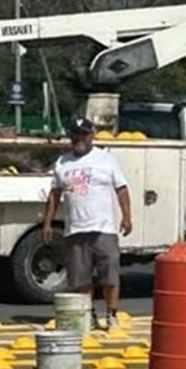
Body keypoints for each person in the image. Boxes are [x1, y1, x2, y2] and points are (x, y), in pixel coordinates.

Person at [42, 117, 132, 330]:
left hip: (103, 227)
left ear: (92, 135)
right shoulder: (63, 162)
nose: (79, 138)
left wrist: (127, 216)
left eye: (83, 134)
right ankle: (88, 315)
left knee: (109, 273)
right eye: (75, 134)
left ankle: (111, 314)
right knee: (81, 277)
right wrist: (47, 223)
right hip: (75, 228)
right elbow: (54, 195)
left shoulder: (106, 159)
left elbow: (121, 188)